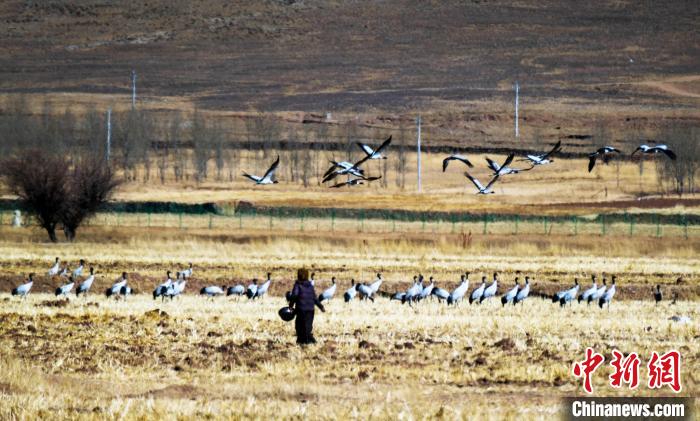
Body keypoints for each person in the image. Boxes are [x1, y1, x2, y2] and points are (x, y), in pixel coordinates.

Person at [289, 268, 325, 345]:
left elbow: (294, 295)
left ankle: (304, 341)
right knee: (307, 327)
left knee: (299, 326)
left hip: (301, 309)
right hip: (310, 309)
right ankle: (307, 341)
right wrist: (321, 306)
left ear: (298, 275)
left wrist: (291, 306)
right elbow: (314, 298)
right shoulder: (310, 285)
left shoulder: (298, 285)